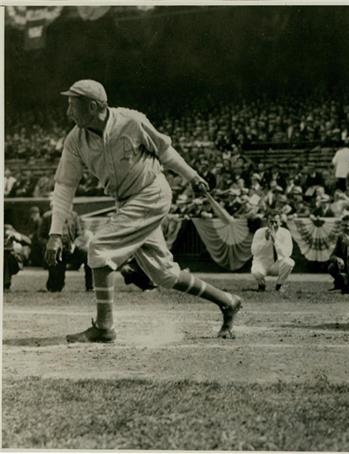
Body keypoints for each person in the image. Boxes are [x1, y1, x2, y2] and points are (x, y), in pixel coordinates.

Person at [45, 79, 241, 343]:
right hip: (126, 201)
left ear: (92, 107)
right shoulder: (75, 140)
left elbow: (164, 151)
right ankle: (228, 301)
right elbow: (65, 185)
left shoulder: (132, 121)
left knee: (98, 247)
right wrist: (55, 233)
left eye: (72, 105)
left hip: (152, 192)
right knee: (164, 274)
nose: (68, 111)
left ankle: (104, 327)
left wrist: (191, 176)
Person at [39, 206, 94, 292]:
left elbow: (80, 234)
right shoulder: (47, 217)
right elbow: (40, 237)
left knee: (88, 255)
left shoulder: (74, 215)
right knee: (55, 288)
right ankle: (55, 283)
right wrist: (53, 245)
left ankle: (91, 286)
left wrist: (74, 244)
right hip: (56, 251)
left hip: (71, 248)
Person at [250, 212, 295, 292]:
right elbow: (254, 251)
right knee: (255, 271)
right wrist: (265, 240)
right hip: (263, 263)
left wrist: (275, 240)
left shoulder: (286, 233)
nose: (273, 225)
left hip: (278, 265)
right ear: (267, 222)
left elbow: (287, 253)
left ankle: (279, 285)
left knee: (289, 262)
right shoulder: (259, 232)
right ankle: (261, 285)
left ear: (280, 222)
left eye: (276, 222)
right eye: (271, 222)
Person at [4, 224, 31, 291]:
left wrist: (17, 236)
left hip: (13, 262)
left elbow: (29, 241)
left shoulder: (14, 236)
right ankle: (5, 284)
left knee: (7, 256)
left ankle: (5, 284)